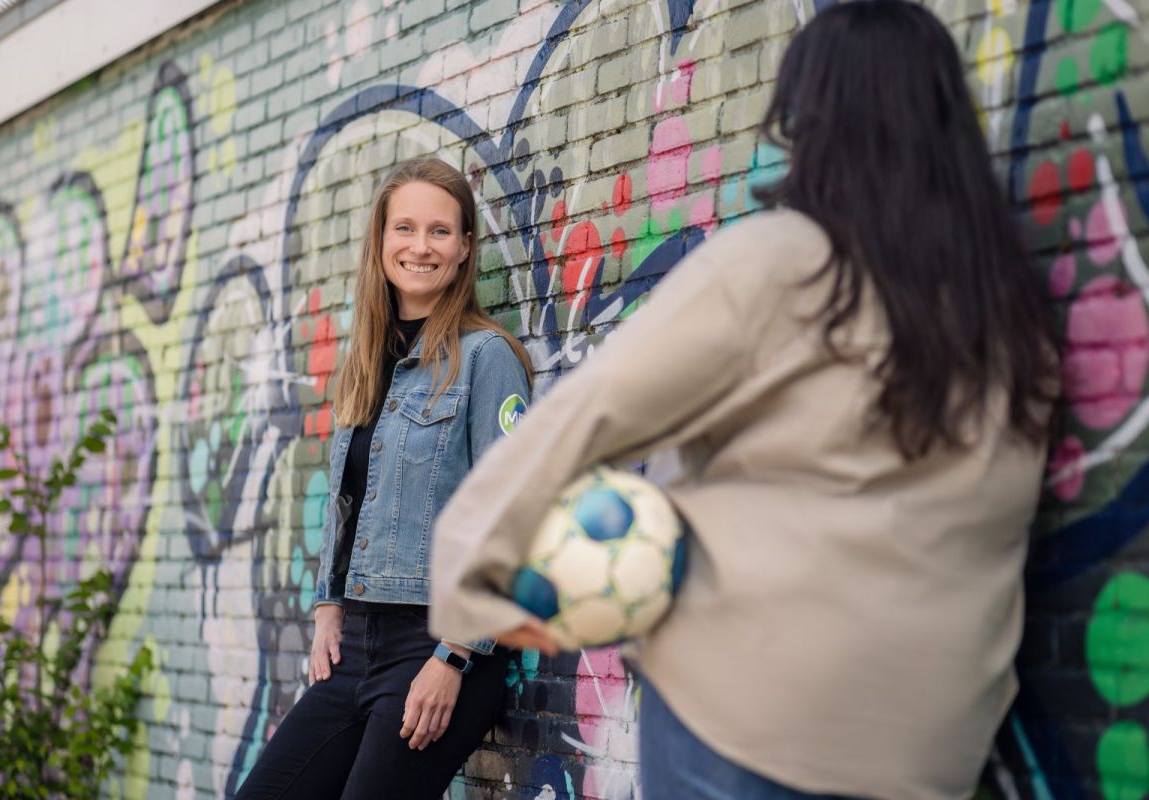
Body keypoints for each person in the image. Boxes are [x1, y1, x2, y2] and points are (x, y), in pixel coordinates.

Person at [428, 3, 1059, 799]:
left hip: (750, 716)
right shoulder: (1011, 312)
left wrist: (467, 571)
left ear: (816, 119)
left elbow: (586, 413)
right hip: (933, 742)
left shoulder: (780, 265)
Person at [234, 157, 533, 799]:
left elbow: (514, 512)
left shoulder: (486, 358)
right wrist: (327, 605)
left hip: (441, 642)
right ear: (380, 242)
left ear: (463, 250)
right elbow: (347, 500)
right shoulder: (369, 362)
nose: (420, 246)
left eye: (440, 231)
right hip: (358, 643)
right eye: (404, 228)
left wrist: (454, 655)